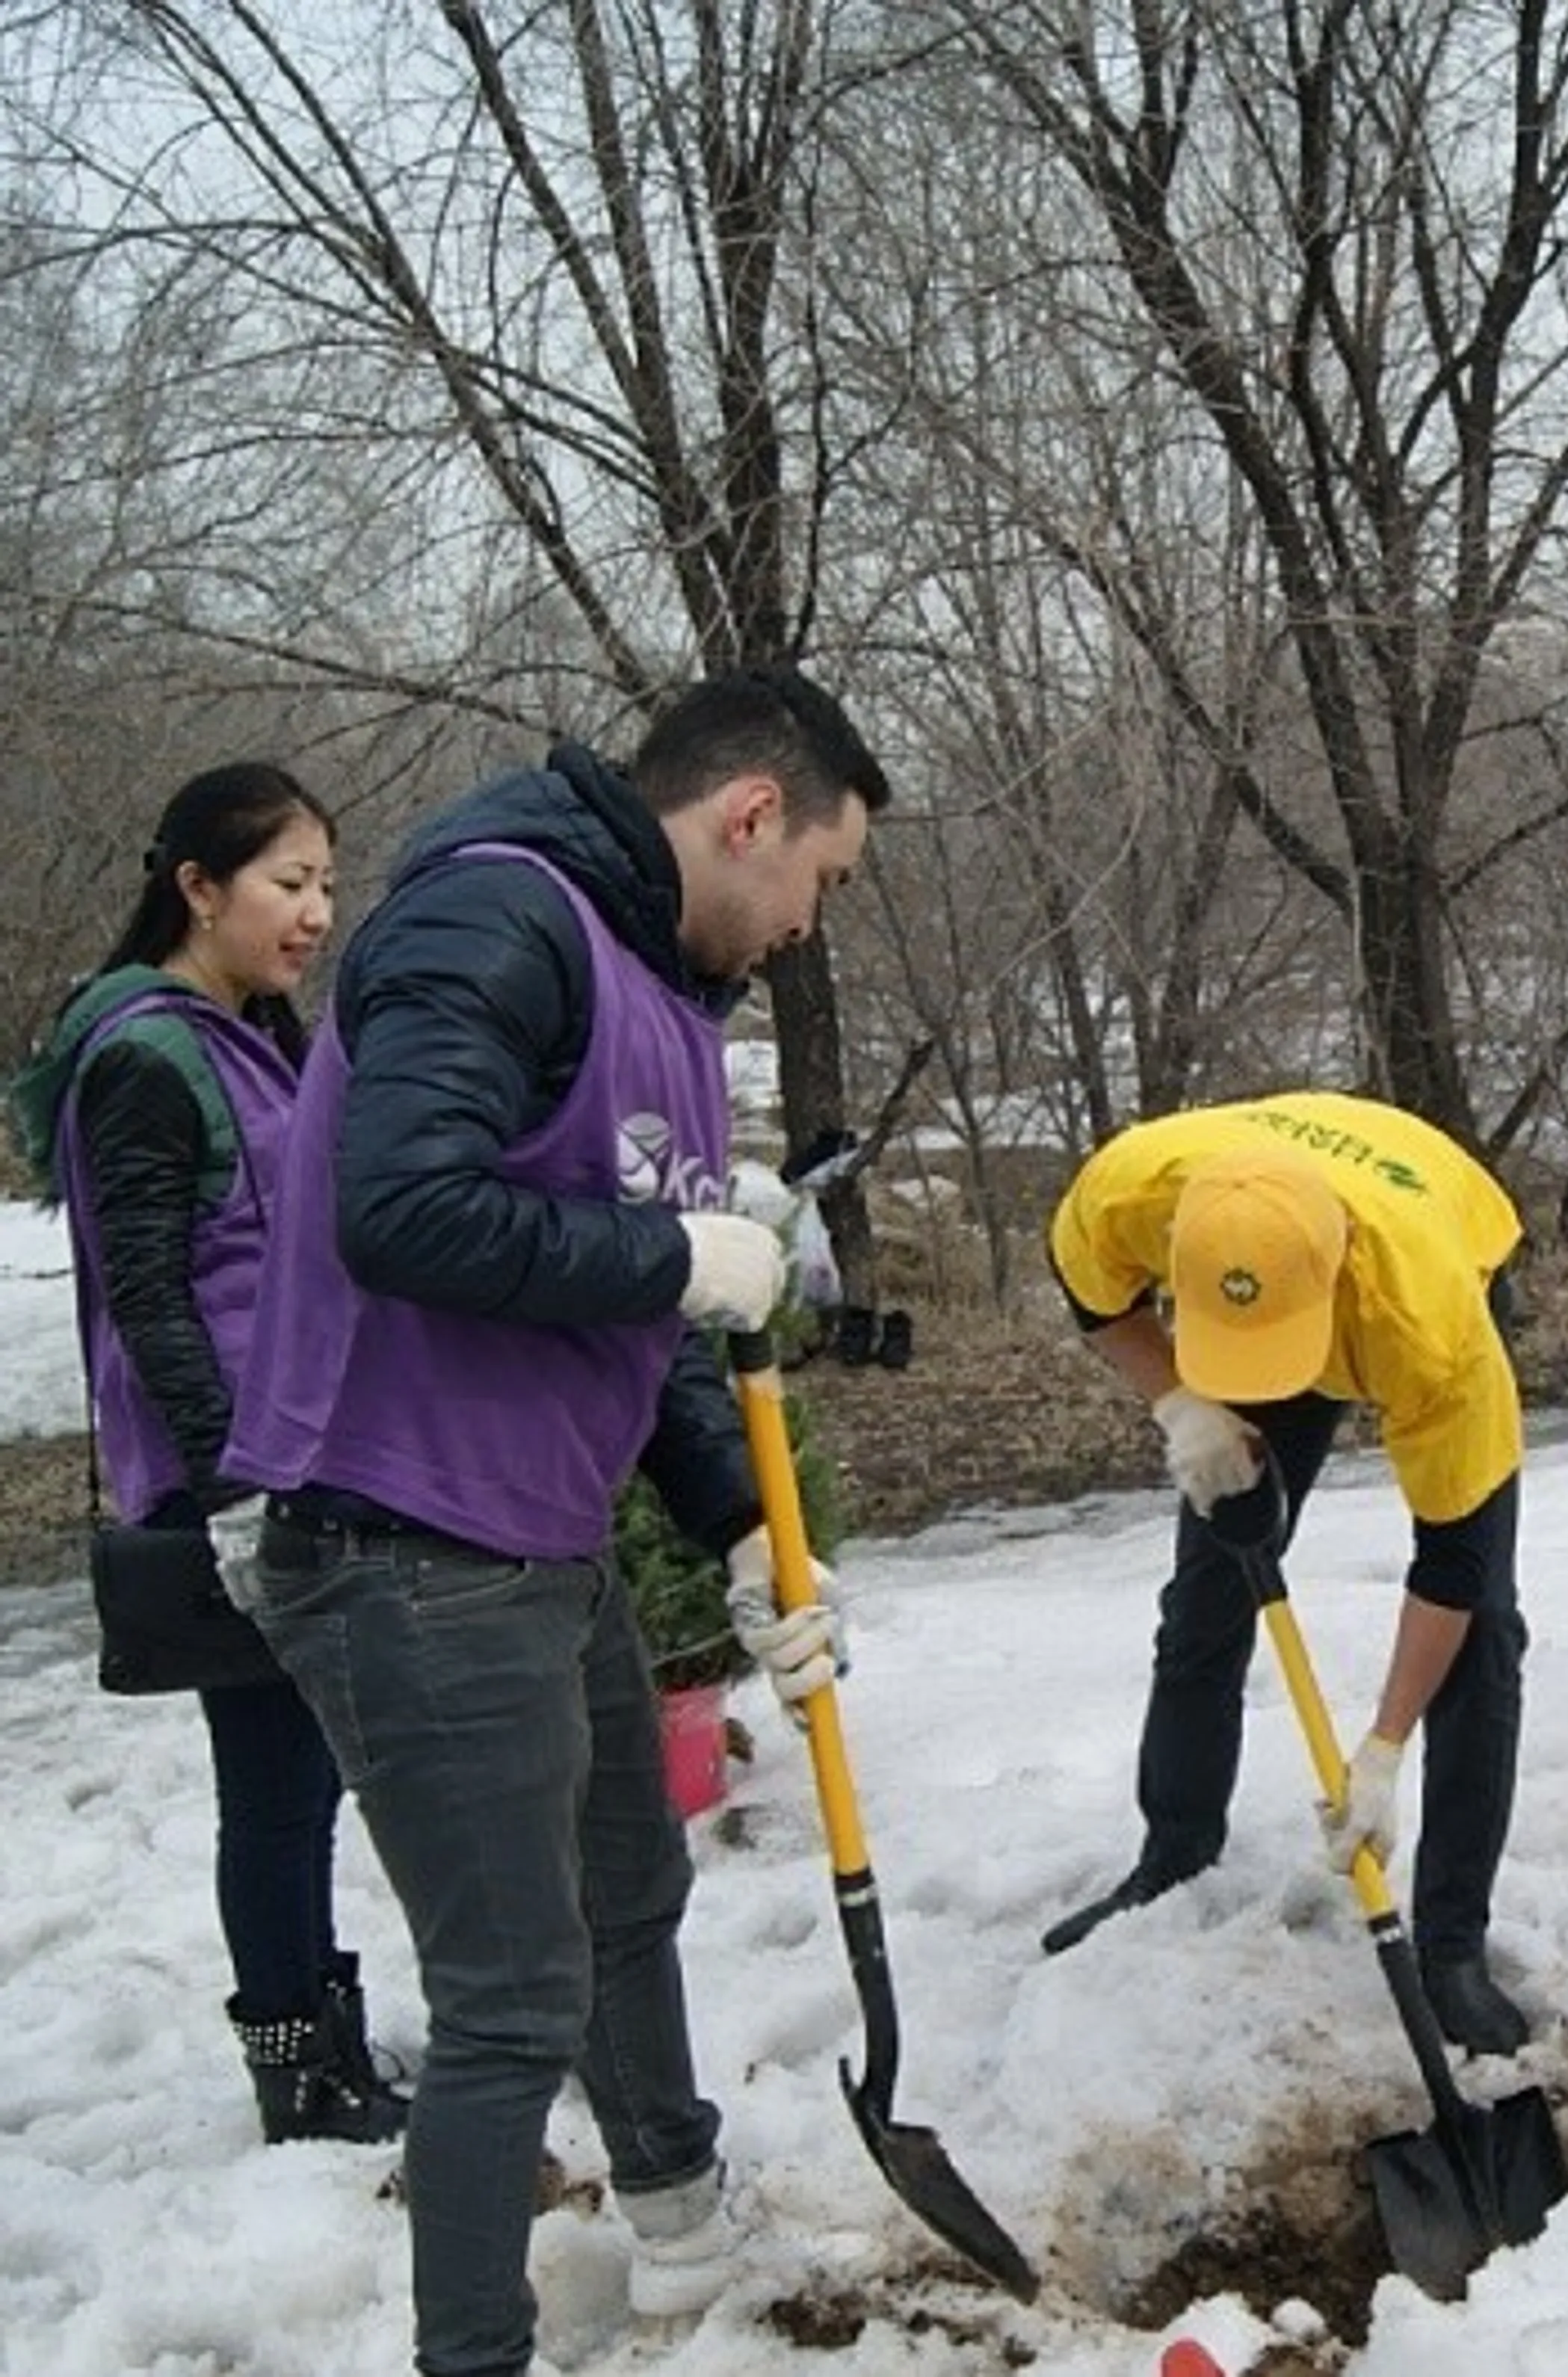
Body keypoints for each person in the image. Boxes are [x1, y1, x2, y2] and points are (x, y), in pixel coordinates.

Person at [220, 670, 886, 2377]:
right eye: (820, 878)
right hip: (403, 1541)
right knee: (512, 2000)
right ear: (750, 817)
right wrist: (678, 1260)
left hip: (533, 1528)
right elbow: (399, 1208)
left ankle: (672, 2204)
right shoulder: (495, 923)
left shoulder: (663, 983)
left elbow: (614, 1304)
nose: (810, 926)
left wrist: (744, 1530)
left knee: (624, 1884)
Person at [8, 763, 409, 2148]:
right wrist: (229, 1483)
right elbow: (148, 1291)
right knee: (278, 1779)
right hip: (228, 1462)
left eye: (327, 890)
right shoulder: (143, 1052)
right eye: (288, 885)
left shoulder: (246, 1032)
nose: (314, 915)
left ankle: (322, 2031)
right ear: (195, 886)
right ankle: (298, 2064)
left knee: (300, 1776)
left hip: (290, 1442)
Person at [1040, 1092, 1537, 2055]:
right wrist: (1183, 1403)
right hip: (1268, 1249)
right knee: (1207, 1588)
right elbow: (1092, 1298)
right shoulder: (1128, 1189)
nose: (1269, 1386)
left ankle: (1451, 1946)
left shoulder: (1431, 1328)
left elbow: (1453, 1565)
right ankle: (1174, 1850)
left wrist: (1383, 1751)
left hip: (1422, 1235)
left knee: (1484, 1632)